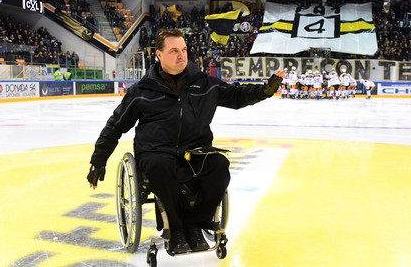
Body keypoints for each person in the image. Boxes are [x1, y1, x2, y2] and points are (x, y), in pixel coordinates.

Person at [86, 28, 285, 254]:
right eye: (173, 51)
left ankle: (196, 224)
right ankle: (176, 228)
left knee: (219, 166)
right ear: (159, 55)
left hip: (196, 151)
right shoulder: (142, 91)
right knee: (161, 167)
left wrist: (266, 90)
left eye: (184, 49)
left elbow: (237, 96)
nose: (181, 55)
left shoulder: (204, 83)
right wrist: (98, 160)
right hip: (156, 151)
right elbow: (115, 125)